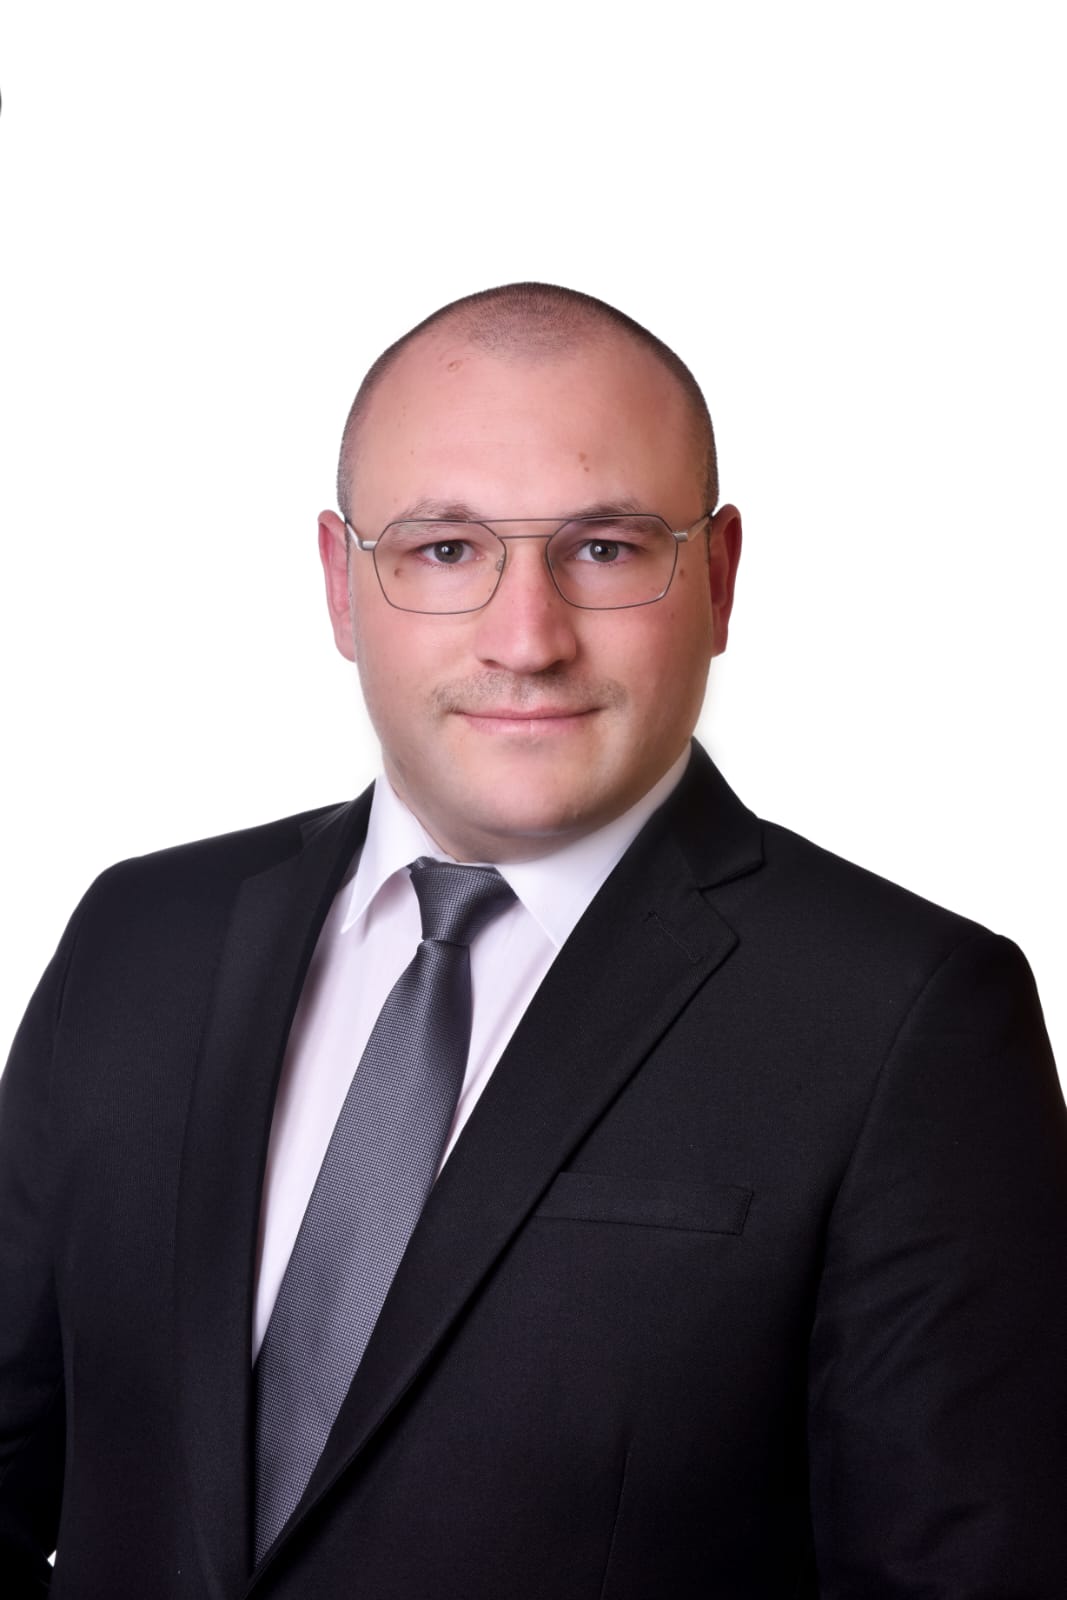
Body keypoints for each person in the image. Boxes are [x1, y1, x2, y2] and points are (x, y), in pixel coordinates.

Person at [1, 282, 1065, 1599]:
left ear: (717, 577)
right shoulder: (139, 938)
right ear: (343, 583)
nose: (526, 640)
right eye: (446, 549)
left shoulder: (909, 1018)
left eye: (605, 548)